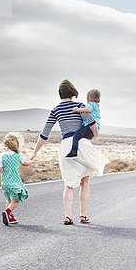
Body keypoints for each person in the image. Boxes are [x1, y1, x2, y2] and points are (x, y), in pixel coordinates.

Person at [31, 80, 109, 225]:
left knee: (68, 184)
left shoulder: (55, 110)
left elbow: (44, 134)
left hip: (66, 144)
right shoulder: (79, 106)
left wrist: (34, 153)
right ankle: (83, 215)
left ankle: (68, 215)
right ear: (73, 92)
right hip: (82, 143)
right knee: (85, 181)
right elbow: (92, 123)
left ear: (60, 94)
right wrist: (95, 136)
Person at [0, 133, 34, 226]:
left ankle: (10, 217)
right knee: (17, 199)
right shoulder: (18, 155)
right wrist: (31, 161)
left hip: (5, 183)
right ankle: (7, 212)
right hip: (15, 182)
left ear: (5, 145)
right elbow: (25, 163)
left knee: (9, 200)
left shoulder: (2, 156)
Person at [67, 88, 101, 158]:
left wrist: (77, 110)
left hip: (88, 127)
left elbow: (88, 110)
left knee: (76, 136)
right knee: (82, 139)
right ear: (99, 101)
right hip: (94, 129)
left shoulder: (91, 104)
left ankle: (74, 151)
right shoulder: (97, 107)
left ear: (87, 99)